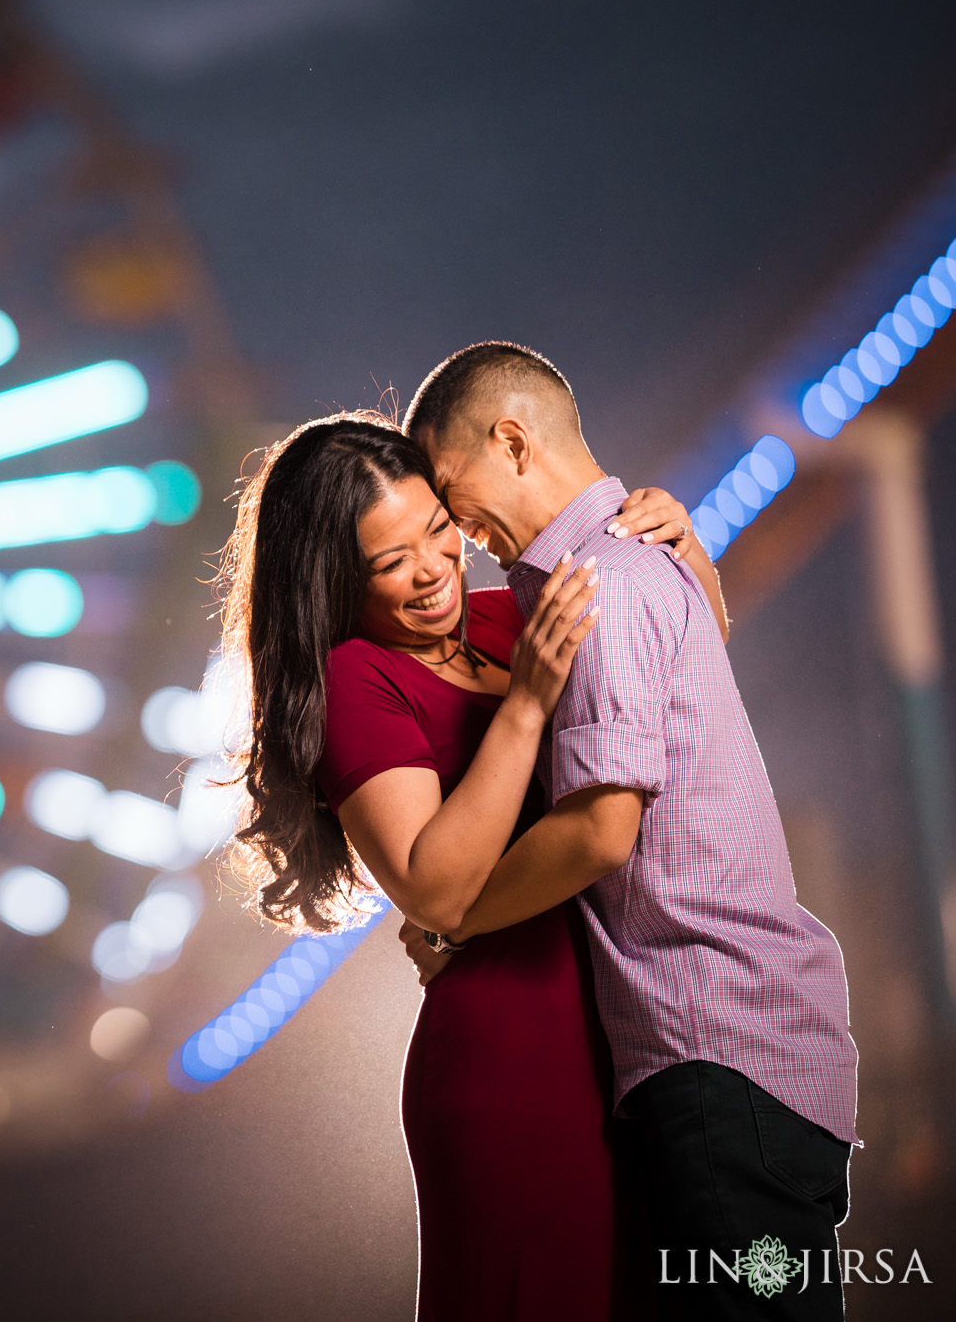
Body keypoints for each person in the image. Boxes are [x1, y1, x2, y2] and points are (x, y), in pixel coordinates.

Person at [404, 341, 859, 1321]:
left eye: (448, 488)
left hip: (709, 1053)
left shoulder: (595, 587)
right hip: (753, 1054)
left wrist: (451, 918)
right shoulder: (643, 564)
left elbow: (602, 830)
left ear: (512, 441)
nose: (448, 525)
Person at [218, 411, 693, 1319]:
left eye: (438, 530)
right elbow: (436, 884)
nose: (434, 569)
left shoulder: (509, 612)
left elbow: (678, 691)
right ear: (332, 579)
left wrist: (683, 552)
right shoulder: (356, 678)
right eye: (389, 560)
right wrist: (527, 706)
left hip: (630, 1030)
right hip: (514, 1059)